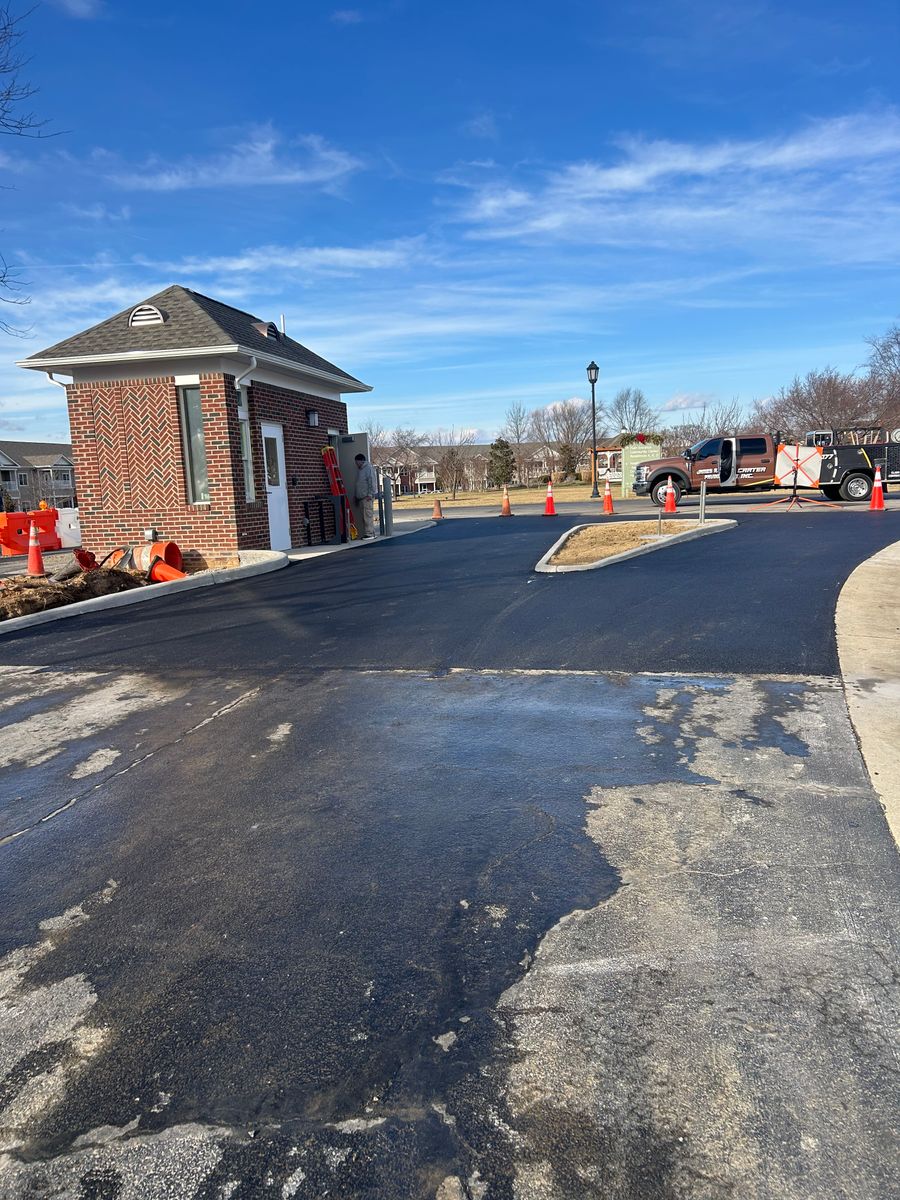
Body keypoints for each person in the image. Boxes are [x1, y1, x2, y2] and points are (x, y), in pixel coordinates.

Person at [353, 453, 378, 538]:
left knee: (367, 516)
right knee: (365, 516)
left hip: (367, 497)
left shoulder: (368, 469)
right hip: (361, 497)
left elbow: (372, 482)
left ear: (361, 461)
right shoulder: (361, 470)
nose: (356, 464)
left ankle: (369, 533)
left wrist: (370, 494)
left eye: (356, 462)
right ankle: (370, 532)